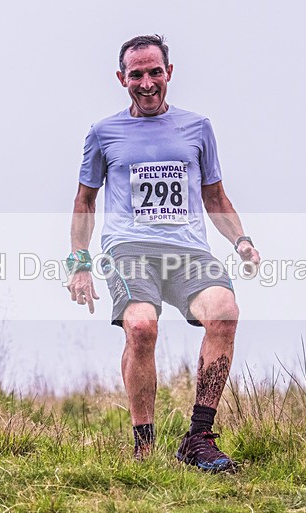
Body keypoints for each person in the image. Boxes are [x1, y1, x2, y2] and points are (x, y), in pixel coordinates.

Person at [66, 35, 260, 472]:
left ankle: (199, 438)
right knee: (140, 327)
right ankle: (144, 446)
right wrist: (79, 262)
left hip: (188, 250)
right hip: (129, 247)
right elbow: (84, 201)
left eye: (155, 72)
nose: (147, 83)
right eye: (137, 74)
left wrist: (241, 240)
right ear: (122, 79)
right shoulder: (103, 133)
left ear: (169, 72)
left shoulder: (198, 128)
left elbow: (215, 196)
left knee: (225, 312)